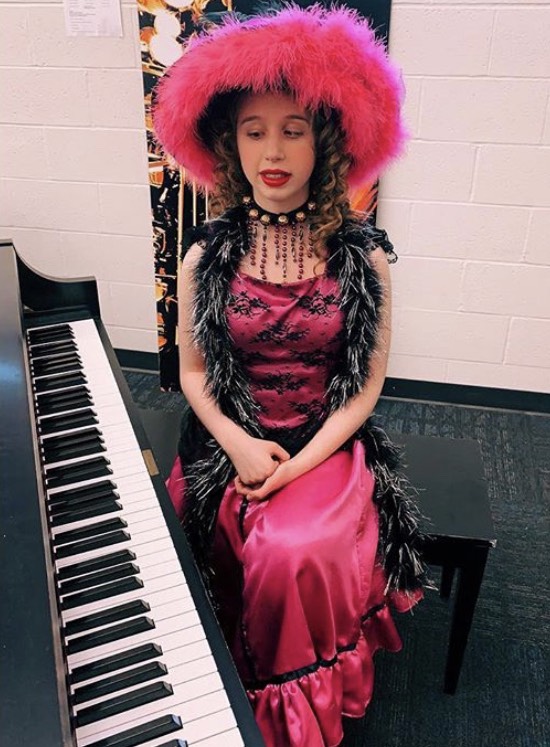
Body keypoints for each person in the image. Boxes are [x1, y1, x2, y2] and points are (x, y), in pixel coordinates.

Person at [153, 6, 427, 746]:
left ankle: (285, 719)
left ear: (323, 142)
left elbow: (365, 389)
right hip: (229, 440)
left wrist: (297, 464)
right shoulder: (204, 256)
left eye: (292, 129)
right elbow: (194, 370)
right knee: (203, 544)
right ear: (229, 144)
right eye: (254, 130)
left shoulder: (361, 259)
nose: (272, 149)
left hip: (322, 442)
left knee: (289, 551)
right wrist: (240, 446)